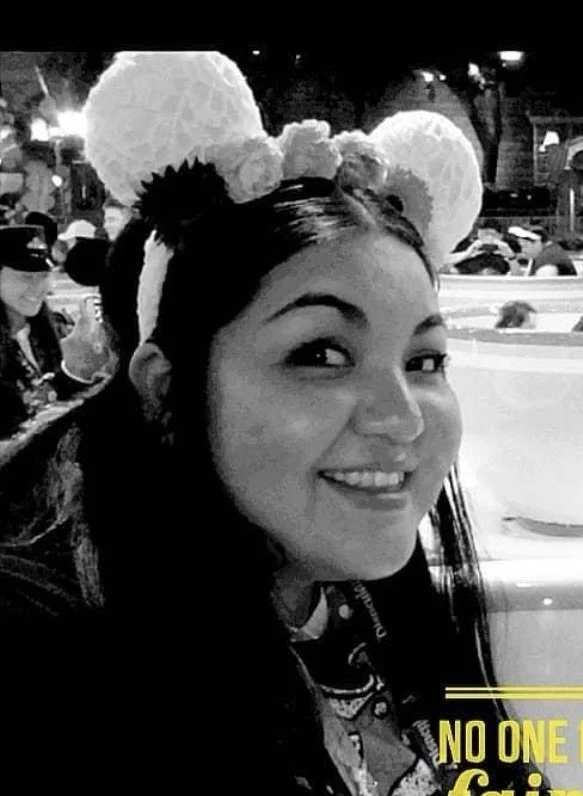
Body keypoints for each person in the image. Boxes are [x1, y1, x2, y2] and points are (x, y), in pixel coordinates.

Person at [0, 51, 550, 794]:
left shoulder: (364, 595)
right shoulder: (51, 661)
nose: (400, 419)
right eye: (320, 353)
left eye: (424, 361)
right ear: (165, 389)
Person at [0, 224, 111, 438]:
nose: (38, 287)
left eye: (43, 275)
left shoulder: (57, 328)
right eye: (25, 276)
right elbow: (19, 415)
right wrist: (68, 377)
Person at [511, 225, 577, 276]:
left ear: (538, 242)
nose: (523, 251)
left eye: (525, 246)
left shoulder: (547, 262)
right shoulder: (549, 251)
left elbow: (542, 289)